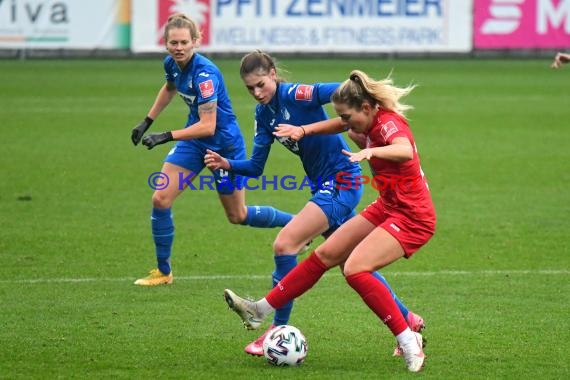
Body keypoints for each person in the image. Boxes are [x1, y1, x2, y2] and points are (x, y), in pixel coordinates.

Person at [205, 51, 424, 357]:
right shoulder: (263, 116)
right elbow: (255, 167)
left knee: (285, 244)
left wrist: (343, 118)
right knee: (350, 260)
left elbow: (342, 91)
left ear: (273, 74)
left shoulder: (297, 94)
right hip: (322, 185)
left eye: (261, 84)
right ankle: (408, 319)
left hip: (341, 179)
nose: (257, 92)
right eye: (249, 89)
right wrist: (225, 163)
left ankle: (271, 327)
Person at [131, 14, 294, 286]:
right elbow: (170, 87)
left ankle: (299, 224)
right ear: (166, 43)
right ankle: (163, 271)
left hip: (224, 148)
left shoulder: (205, 75)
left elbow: (208, 126)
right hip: (193, 143)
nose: (179, 47)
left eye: (184, 42)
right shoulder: (171, 63)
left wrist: (165, 135)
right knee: (160, 199)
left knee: (237, 215)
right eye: (173, 42)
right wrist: (147, 120)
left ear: (196, 41)